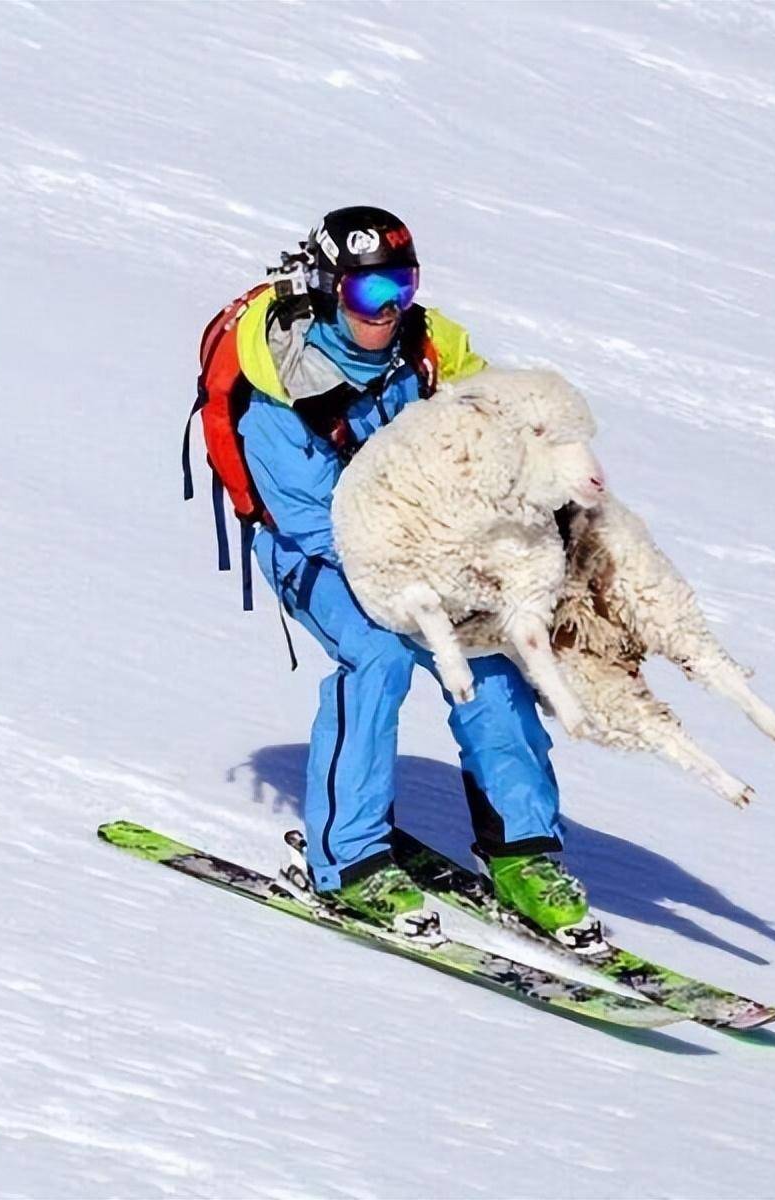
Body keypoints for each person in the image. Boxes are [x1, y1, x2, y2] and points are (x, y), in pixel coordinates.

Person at [235, 206, 592, 939]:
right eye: (369, 294)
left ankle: (524, 848)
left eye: (402, 286)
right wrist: (420, 566)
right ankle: (349, 857)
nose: (388, 309)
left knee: (492, 657)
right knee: (380, 655)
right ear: (330, 291)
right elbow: (304, 518)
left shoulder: (426, 355)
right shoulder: (279, 384)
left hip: (431, 547)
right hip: (315, 550)